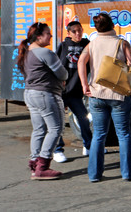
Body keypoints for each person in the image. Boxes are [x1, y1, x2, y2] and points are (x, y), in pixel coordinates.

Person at [78, 11, 131, 182]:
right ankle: (128, 173)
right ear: (112, 25)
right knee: (124, 134)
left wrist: (84, 84)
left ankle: (94, 175)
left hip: (96, 94)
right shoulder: (122, 43)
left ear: (97, 27)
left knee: (98, 134)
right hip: (119, 95)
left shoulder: (91, 44)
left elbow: (81, 62)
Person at [17, 22, 68, 180]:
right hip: (45, 95)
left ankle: (34, 162)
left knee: (39, 130)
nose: (50, 36)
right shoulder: (45, 52)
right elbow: (63, 74)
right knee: (55, 129)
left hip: (30, 94)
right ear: (39, 37)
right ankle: (43, 166)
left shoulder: (26, 52)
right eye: (48, 33)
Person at [52, 21, 91, 163]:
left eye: (79, 30)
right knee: (58, 123)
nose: (77, 33)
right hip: (61, 92)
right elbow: (54, 67)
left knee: (84, 119)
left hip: (76, 92)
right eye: (74, 31)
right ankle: (57, 150)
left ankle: (88, 145)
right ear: (68, 33)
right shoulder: (63, 46)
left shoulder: (87, 44)